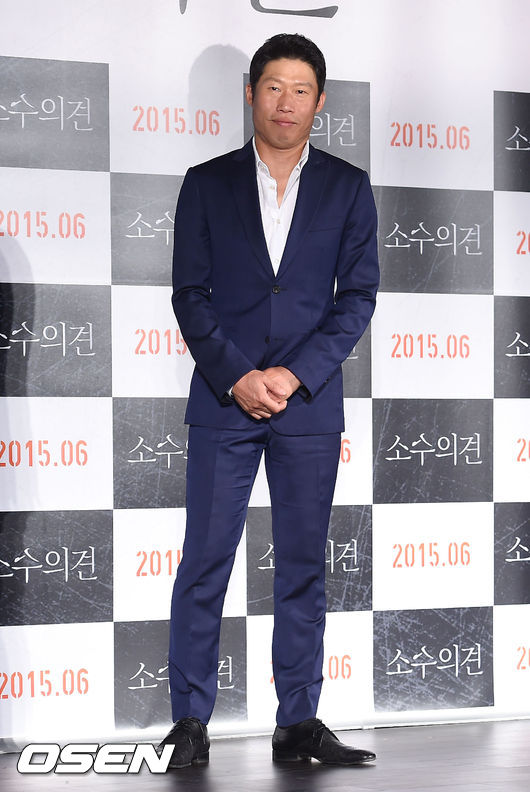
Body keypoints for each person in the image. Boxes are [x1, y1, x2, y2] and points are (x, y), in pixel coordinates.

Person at [158, 32, 379, 769]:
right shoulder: (206, 182)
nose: (287, 102)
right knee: (205, 562)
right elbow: (189, 294)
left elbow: (358, 297)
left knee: (303, 565)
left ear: (320, 101)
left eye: (301, 90)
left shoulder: (348, 187)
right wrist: (238, 376)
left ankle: (299, 722)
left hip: (307, 406)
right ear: (250, 92)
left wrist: (293, 375)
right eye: (274, 87)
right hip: (225, 402)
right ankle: (189, 722)